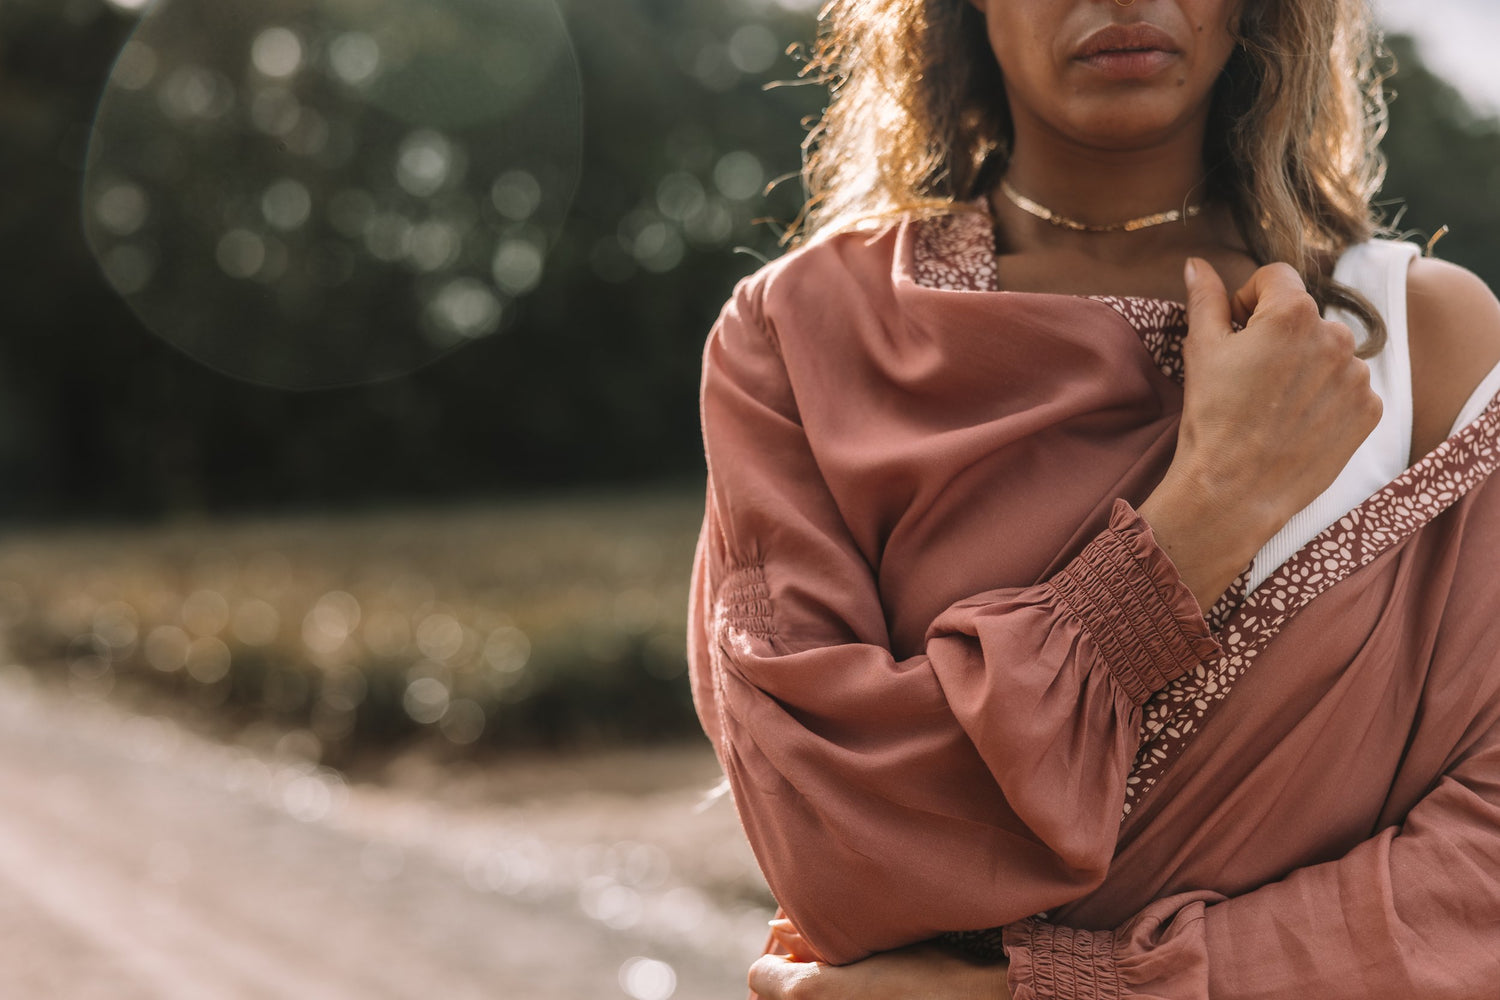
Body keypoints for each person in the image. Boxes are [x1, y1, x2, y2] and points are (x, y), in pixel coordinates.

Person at [687, 0, 1500, 997]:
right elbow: (834, 839)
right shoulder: (799, 336)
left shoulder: (1425, 347)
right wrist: (1203, 518)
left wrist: (1051, 989)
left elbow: (1483, 872)